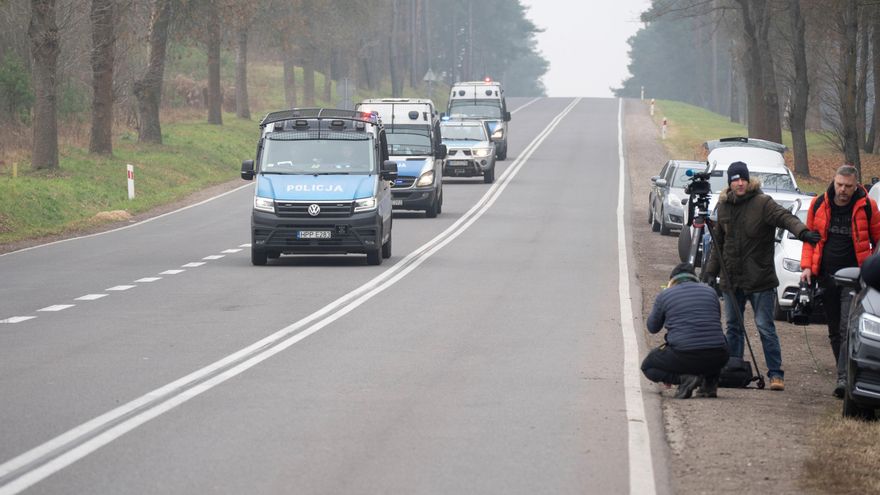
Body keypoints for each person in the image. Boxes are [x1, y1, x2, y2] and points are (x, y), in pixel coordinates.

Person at [703, 161, 820, 391]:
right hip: (732, 279)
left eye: (743, 179)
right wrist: (710, 273)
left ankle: (776, 374)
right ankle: (734, 371)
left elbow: (785, 217)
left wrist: (803, 232)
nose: (739, 183)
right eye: (735, 180)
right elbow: (718, 243)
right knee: (733, 327)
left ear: (749, 181)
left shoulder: (763, 203)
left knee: (765, 326)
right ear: (729, 183)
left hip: (760, 279)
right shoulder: (724, 206)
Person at [800, 165, 880, 398]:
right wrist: (807, 267)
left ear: (856, 185)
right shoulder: (818, 204)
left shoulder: (867, 206)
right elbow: (809, 239)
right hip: (826, 276)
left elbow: (878, 239)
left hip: (854, 279)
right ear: (833, 182)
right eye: (839, 185)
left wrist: (871, 270)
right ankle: (843, 371)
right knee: (834, 330)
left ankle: (844, 380)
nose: (843, 190)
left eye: (848, 186)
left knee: (846, 328)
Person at [641, 263, 730, 399]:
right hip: (719, 355)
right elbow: (715, 322)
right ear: (695, 277)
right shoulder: (711, 292)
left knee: (648, 366)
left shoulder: (665, 295)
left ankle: (684, 378)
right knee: (716, 338)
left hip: (685, 354)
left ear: (672, 281)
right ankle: (710, 382)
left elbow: (652, 327)